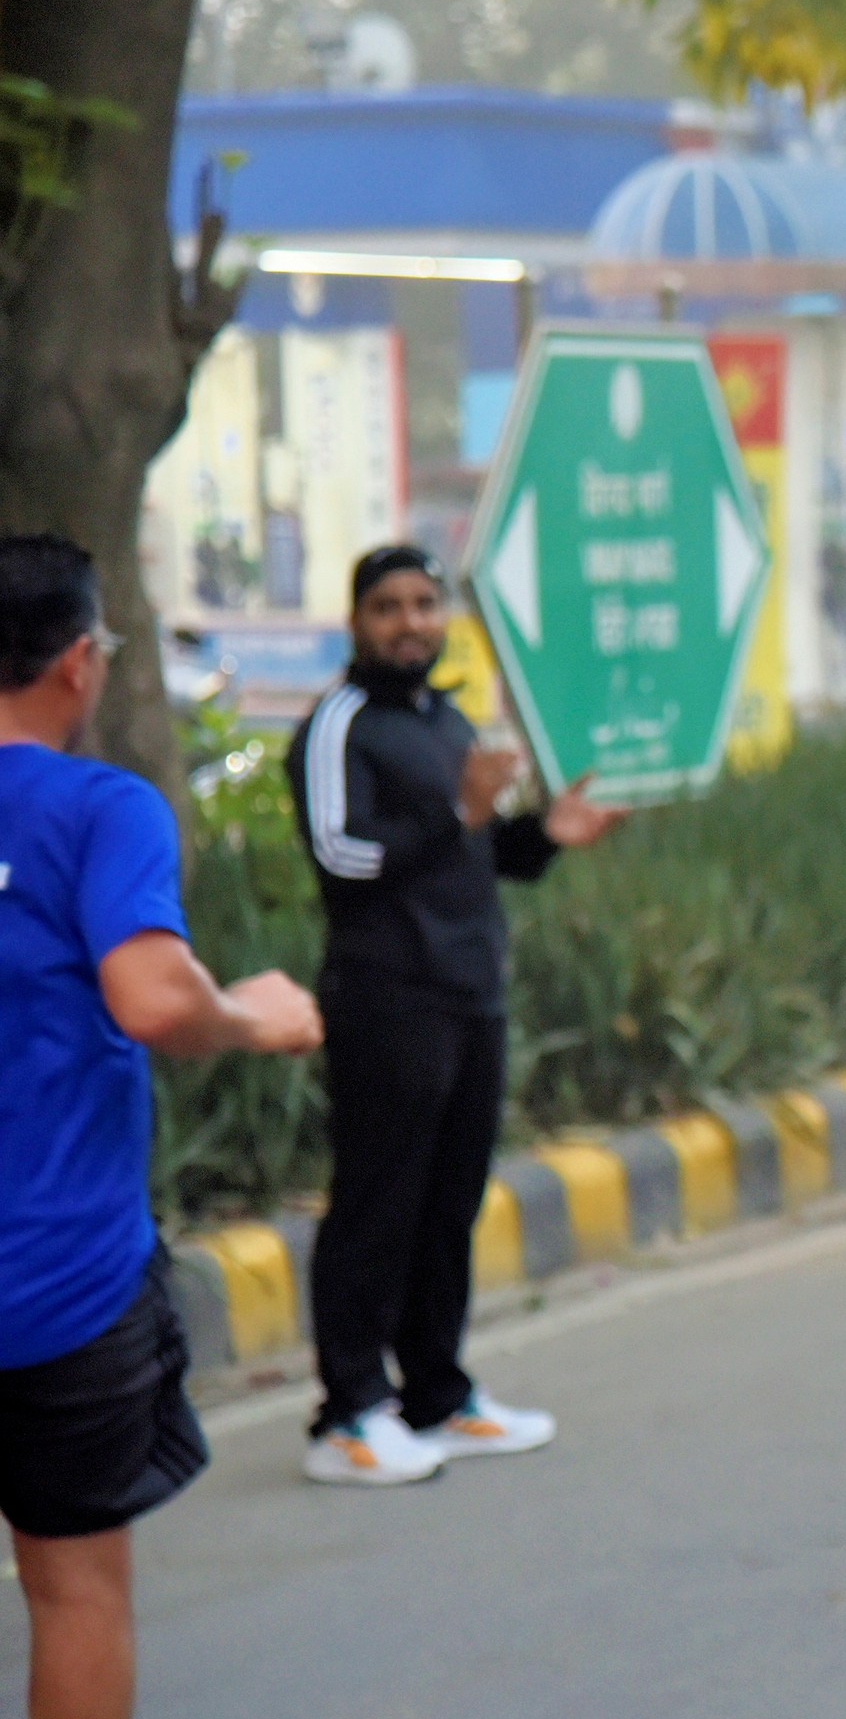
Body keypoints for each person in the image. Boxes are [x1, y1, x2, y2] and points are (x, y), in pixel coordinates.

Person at [1, 534, 323, 1719]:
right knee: (74, 1590)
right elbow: (146, 994)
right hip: (56, 1287)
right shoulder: (98, 808)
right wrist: (257, 1015)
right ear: (80, 661)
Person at [284, 546, 624, 1487]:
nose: (411, 623)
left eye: (426, 604)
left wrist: (542, 835)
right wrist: (459, 813)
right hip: (387, 998)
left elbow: (473, 854)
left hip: (471, 993)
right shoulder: (337, 726)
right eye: (389, 607)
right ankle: (349, 1413)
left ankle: (436, 1392)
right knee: (377, 1204)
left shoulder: (447, 721)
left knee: (448, 1205)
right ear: (357, 621)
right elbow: (342, 856)